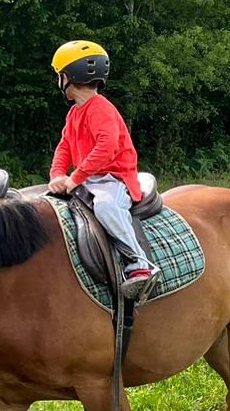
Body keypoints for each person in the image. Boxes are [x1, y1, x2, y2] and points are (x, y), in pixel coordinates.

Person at [47, 41, 159, 301]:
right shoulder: (75, 113)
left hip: (114, 179)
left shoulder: (101, 109)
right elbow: (64, 147)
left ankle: (139, 264)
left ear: (67, 77)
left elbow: (106, 147)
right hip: (89, 179)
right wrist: (57, 175)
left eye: (59, 75)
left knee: (106, 207)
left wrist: (75, 178)